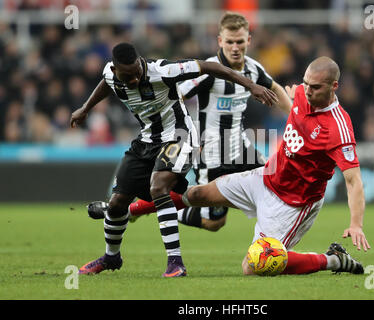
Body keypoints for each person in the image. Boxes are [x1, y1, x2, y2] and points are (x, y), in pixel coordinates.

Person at [119, 56, 371, 276]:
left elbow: (353, 180)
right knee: (197, 193)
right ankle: (131, 211)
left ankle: (334, 260)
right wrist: (294, 93)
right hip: (265, 178)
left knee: (254, 265)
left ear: (334, 86)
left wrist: (356, 224)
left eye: (315, 87)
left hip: (292, 203)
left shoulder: (338, 128)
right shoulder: (305, 95)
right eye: (305, 84)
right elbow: (294, 96)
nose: (307, 91)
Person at [70, 42, 278, 277]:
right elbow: (107, 84)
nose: (135, 80)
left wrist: (252, 86)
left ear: (140, 62)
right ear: (117, 70)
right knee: (118, 202)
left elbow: (210, 66)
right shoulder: (111, 74)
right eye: (128, 76)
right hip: (147, 139)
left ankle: (175, 263)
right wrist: (86, 108)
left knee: (159, 186)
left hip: (179, 135)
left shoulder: (163, 71)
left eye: (137, 72)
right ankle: (111, 257)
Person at [87, 12, 292, 232]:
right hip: (211, 153)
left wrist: (295, 117)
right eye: (230, 42)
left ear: (248, 41)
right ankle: (133, 210)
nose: (235, 47)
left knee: (275, 182)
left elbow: (274, 88)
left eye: (240, 42)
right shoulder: (208, 71)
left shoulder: (253, 69)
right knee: (212, 220)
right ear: (220, 41)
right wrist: (188, 138)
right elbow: (175, 98)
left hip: (242, 148)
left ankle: (275, 243)